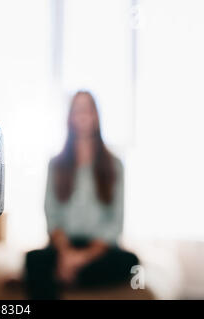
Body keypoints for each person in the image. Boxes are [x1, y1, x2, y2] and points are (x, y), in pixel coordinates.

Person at [25, 91, 138, 300]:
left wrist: (80, 259)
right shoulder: (56, 163)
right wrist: (66, 254)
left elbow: (115, 222)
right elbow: (52, 214)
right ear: (70, 117)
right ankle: (62, 274)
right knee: (33, 259)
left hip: (98, 250)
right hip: (63, 246)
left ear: (96, 115)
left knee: (131, 263)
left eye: (87, 109)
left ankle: (59, 277)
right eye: (77, 110)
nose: (82, 115)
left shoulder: (114, 165)